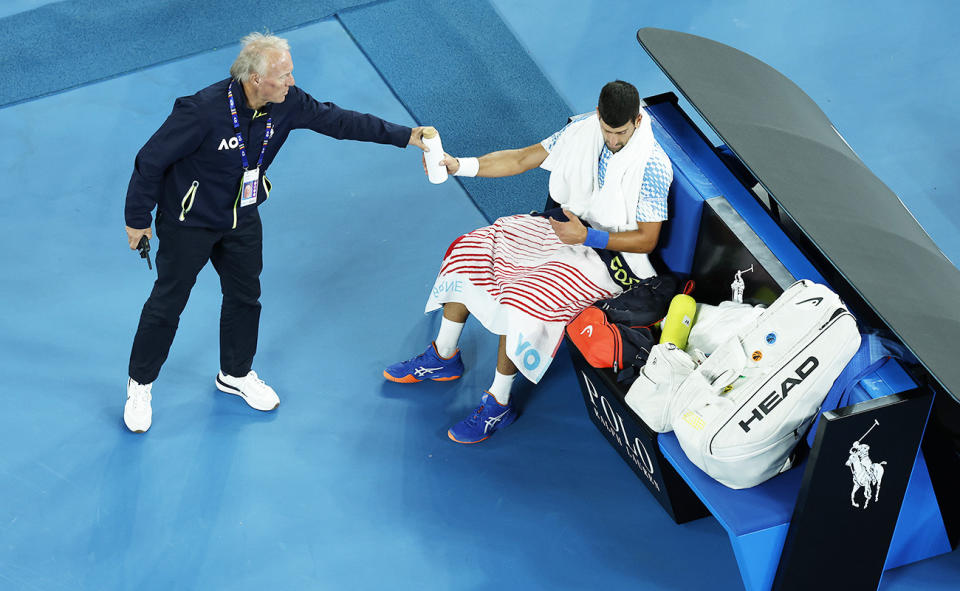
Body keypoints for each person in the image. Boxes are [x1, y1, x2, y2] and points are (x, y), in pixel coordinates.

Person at [123, 32, 430, 433]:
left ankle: (235, 374)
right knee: (168, 302)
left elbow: (339, 121)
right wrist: (137, 219)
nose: (292, 82)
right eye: (284, 75)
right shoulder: (201, 111)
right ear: (255, 80)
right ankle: (140, 385)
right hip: (189, 221)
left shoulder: (287, 104)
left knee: (245, 297)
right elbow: (150, 160)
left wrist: (406, 136)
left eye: (290, 73)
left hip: (243, 217)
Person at [384, 80, 673, 444]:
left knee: (521, 298)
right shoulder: (581, 132)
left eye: (621, 132)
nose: (613, 140)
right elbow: (522, 158)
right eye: (607, 130)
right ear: (598, 116)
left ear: (637, 120)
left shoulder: (652, 166)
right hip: (563, 228)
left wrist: (587, 237)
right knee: (472, 247)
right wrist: (459, 165)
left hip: (609, 258)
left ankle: (498, 403)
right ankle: (443, 356)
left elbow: (647, 239)